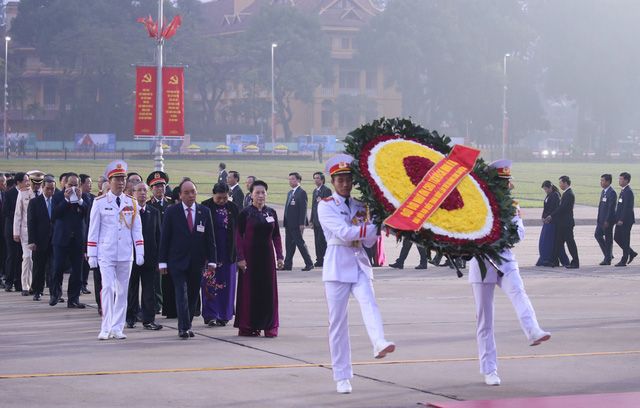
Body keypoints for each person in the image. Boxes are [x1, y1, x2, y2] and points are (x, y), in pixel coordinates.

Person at [318, 154, 395, 394]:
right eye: (339, 179)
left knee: (369, 302)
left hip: (359, 262)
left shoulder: (362, 206)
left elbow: (370, 241)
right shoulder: (326, 205)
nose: (344, 183)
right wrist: (375, 226)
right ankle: (342, 376)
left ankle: (378, 342)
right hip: (337, 266)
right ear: (333, 181)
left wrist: (378, 227)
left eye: (348, 179)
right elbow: (343, 232)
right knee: (338, 324)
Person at [469, 159, 550, 387]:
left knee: (519, 292)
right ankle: (489, 369)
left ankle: (533, 330)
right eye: (501, 181)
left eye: (507, 181)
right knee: (485, 320)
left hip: (505, 260)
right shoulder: (477, 203)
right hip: (482, 263)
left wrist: (507, 234)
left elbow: (520, 231)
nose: (505, 186)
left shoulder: (512, 205)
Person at [87, 161, 144, 340]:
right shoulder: (100, 202)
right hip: (106, 252)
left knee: (122, 291)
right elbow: (93, 229)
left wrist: (140, 251)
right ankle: (105, 327)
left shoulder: (131, 202)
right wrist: (92, 253)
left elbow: (136, 229)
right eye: (117, 179)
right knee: (108, 288)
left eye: (123, 179)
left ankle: (117, 327)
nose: (120, 182)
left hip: (126, 253)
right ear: (109, 181)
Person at [159, 179, 216, 339]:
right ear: (180, 195)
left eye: (193, 192)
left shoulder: (204, 211)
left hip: (197, 262)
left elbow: (209, 238)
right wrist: (162, 261)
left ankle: (188, 323)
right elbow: (165, 238)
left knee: (192, 295)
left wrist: (212, 260)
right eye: (187, 192)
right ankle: (182, 327)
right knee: (181, 293)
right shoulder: (172, 211)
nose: (190, 195)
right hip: (177, 261)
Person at [235, 180, 283, 337]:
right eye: (257, 193)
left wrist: (280, 256)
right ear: (251, 195)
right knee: (250, 292)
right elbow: (238, 237)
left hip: (267, 258)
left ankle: (269, 326)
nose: (261, 195)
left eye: (263, 192)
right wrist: (240, 258)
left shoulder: (271, 213)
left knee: (268, 292)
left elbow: (276, 235)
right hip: (250, 259)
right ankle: (250, 325)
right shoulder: (245, 213)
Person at [201, 183, 239, 327]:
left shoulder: (233, 208)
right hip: (210, 253)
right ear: (213, 195)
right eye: (219, 198)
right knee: (209, 284)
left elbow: (239, 232)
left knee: (227, 285)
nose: (222, 201)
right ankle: (210, 315)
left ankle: (224, 314)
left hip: (228, 252)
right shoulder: (205, 207)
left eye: (225, 198)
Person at [126, 183, 163, 331]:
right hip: (132, 257)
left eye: (144, 191)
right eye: (139, 190)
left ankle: (148, 319)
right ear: (132, 193)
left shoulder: (153, 212)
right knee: (132, 288)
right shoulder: (128, 211)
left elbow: (159, 235)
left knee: (149, 290)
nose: (142, 193)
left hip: (150, 257)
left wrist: (160, 258)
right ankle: (131, 317)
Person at [51, 172, 89, 308]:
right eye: (70, 184)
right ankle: (55, 293)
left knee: (77, 270)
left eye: (76, 185)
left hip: (78, 239)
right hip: (61, 238)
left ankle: (73, 299)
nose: (73, 187)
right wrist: (66, 200)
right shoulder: (57, 197)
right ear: (64, 184)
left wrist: (79, 200)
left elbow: (88, 213)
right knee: (58, 267)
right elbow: (54, 214)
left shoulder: (84, 197)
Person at [147, 170, 173, 315]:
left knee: (170, 277)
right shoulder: (148, 205)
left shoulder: (171, 203)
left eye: (162, 186)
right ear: (151, 189)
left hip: (171, 246)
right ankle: (157, 303)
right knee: (156, 278)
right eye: (156, 186)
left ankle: (168, 304)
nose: (160, 189)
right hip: (156, 246)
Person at [14, 170, 42, 296]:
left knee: (39, 260)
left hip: (40, 232)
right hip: (25, 231)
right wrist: (16, 232)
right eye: (34, 182)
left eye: (39, 183)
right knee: (27, 258)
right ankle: (25, 286)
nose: (36, 185)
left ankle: (36, 285)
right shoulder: (23, 193)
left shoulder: (44, 192)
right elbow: (18, 214)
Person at [545, 175, 579, 268]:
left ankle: (575, 262)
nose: (559, 185)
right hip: (562, 223)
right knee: (558, 243)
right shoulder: (565, 193)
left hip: (567, 224)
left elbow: (562, 208)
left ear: (565, 183)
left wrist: (551, 215)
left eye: (560, 183)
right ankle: (554, 261)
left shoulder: (569, 194)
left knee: (570, 243)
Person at [283, 172, 314, 271]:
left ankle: (309, 263)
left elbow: (303, 209)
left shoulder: (301, 192)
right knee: (289, 245)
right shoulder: (290, 192)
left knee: (300, 244)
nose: (290, 181)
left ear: (298, 180)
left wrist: (302, 223)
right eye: (289, 179)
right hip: (289, 223)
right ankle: (287, 265)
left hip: (297, 224)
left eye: (293, 179)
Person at [4, 172, 27, 292]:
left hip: (24, 230)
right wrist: (19, 216)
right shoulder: (9, 194)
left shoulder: (27, 193)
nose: (27, 183)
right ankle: (8, 281)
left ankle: (19, 283)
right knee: (12, 256)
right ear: (18, 182)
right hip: (11, 229)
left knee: (21, 257)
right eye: (25, 180)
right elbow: (6, 212)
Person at [536, 180, 569, 267]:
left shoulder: (555, 195)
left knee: (550, 242)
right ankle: (546, 259)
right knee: (544, 242)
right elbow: (546, 208)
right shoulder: (549, 195)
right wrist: (543, 217)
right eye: (544, 189)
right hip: (547, 221)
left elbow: (555, 209)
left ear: (550, 187)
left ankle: (549, 259)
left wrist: (550, 217)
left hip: (553, 222)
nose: (545, 191)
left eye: (546, 189)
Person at [614, 172, 636, 267]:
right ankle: (631, 252)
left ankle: (624, 260)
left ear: (626, 180)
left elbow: (627, 208)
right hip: (620, 220)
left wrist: (621, 219)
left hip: (625, 221)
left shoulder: (628, 192)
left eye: (621, 179)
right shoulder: (623, 191)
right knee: (617, 238)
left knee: (625, 239)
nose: (619, 180)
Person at [310, 172, 332, 267]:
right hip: (316, 221)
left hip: (323, 221)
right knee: (317, 242)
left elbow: (329, 204)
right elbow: (313, 206)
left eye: (318, 178)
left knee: (323, 241)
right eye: (315, 178)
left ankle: (325, 259)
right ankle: (319, 259)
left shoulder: (327, 190)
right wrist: (311, 220)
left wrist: (322, 200)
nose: (316, 180)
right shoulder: (315, 191)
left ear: (322, 179)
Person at [595, 174, 617, 265]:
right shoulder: (603, 191)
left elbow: (611, 208)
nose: (601, 182)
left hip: (607, 221)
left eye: (603, 181)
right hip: (601, 220)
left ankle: (607, 259)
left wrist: (607, 220)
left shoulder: (612, 193)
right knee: (597, 235)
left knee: (608, 239)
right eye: (601, 180)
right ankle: (608, 254)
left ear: (608, 182)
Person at [79, 173, 94, 295]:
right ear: (81, 184)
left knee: (86, 263)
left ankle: (84, 283)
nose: (90, 185)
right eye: (88, 182)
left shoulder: (93, 198)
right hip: (80, 232)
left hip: (90, 232)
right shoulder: (78, 197)